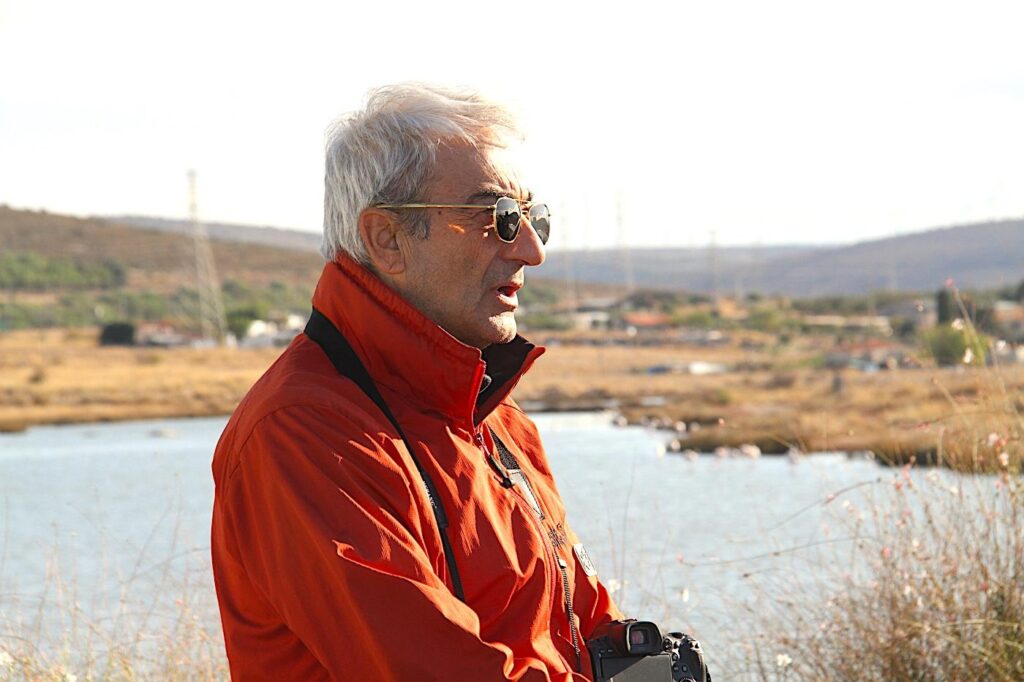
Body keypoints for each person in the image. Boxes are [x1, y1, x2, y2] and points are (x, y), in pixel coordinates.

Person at [210, 84, 622, 681]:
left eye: (533, 218)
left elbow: (581, 625)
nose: (532, 251)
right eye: (498, 218)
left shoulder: (493, 417)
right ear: (388, 239)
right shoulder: (303, 434)